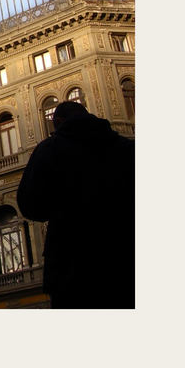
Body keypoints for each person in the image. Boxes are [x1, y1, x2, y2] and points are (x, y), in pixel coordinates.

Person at [16, 101, 135, 308]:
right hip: (124, 264)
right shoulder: (127, 148)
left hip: (70, 267)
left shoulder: (49, 151)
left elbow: (29, 205)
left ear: (59, 122)